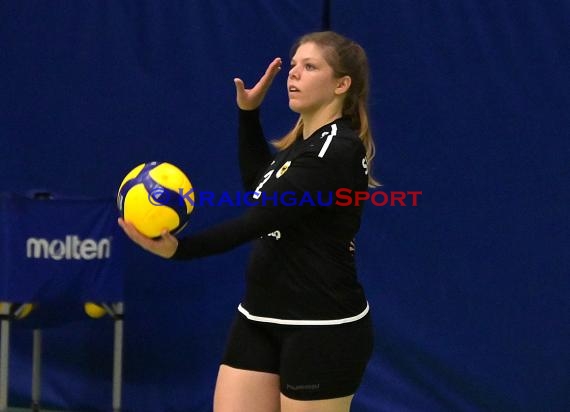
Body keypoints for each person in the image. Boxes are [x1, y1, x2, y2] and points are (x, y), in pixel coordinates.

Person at [119, 30, 377, 412]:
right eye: (293, 66)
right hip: (258, 315)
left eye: (309, 67)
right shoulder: (301, 146)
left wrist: (181, 250)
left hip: (320, 326)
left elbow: (259, 218)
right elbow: (259, 190)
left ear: (341, 84)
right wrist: (248, 114)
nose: (294, 75)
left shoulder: (335, 150)